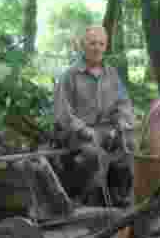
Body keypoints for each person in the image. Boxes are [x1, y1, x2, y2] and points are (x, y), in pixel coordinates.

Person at [53, 25, 135, 207]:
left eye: (101, 44)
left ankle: (121, 200)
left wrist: (121, 123)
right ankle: (87, 203)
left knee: (128, 148)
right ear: (83, 45)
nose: (97, 47)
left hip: (107, 131)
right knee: (93, 154)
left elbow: (123, 104)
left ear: (105, 46)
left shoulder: (111, 74)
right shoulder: (70, 76)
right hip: (77, 136)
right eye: (92, 43)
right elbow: (63, 114)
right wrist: (85, 131)